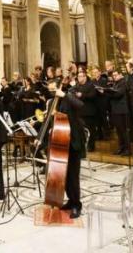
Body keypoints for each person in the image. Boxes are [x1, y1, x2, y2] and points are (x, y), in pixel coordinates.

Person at [39, 80, 85, 218]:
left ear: (59, 87)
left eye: (54, 90)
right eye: (50, 90)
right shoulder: (52, 102)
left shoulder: (68, 95)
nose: (52, 92)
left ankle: (77, 204)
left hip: (73, 141)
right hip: (60, 142)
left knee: (73, 175)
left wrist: (64, 94)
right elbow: (47, 121)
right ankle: (70, 201)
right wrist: (39, 138)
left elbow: (80, 105)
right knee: (63, 175)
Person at [99, 69, 130, 156]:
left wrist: (107, 92)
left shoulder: (123, 82)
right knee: (118, 131)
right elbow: (113, 94)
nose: (114, 77)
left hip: (122, 110)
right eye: (114, 75)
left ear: (120, 75)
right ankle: (121, 147)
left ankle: (127, 149)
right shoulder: (115, 83)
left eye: (116, 75)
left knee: (123, 130)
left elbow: (118, 94)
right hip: (115, 109)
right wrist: (105, 91)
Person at [75, 68, 98, 152]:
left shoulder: (90, 85)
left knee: (90, 130)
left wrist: (82, 95)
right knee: (81, 130)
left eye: (81, 76)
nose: (79, 78)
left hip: (89, 111)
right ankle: (83, 146)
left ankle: (91, 146)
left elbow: (93, 95)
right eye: (78, 76)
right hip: (80, 112)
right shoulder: (77, 85)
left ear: (85, 77)